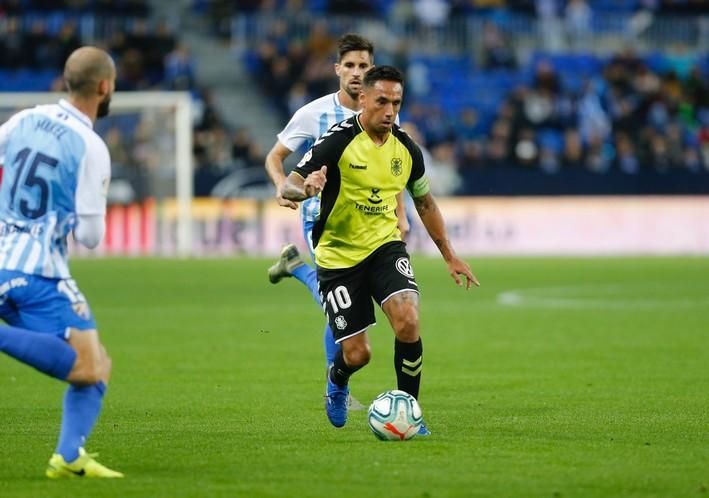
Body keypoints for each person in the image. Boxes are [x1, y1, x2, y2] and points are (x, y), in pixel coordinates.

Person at [282, 65, 479, 433]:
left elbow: (425, 203)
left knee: (408, 320)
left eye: (397, 103)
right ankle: (337, 379)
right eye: (382, 102)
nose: (390, 111)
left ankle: (410, 413)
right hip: (338, 257)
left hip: (385, 246)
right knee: (359, 354)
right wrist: (306, 189)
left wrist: (450, 255)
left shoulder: (405, 148)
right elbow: (288, 187)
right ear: (363, 100)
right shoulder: (337, 140)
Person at [264, 33, 409, 410]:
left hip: (372, 224)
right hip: (324, 222)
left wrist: (401, 211)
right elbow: (275, 157)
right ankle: (338, 386)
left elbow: (389, 169)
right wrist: (284, 187)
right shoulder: (314, 114)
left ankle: (296, 268)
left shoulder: (384, 108)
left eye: (364, 66)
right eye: (350, 66)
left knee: (352, 302)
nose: (357, 72)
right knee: (342, 302)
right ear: (337, 70)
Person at [0, 46, 123, 478]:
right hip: (38, 271)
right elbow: (89, 237)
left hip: (2, 261)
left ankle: (69, 457)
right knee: (87, 366)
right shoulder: (90, 145)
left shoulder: (21, 120)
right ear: (104, 87)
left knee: (97, 363)